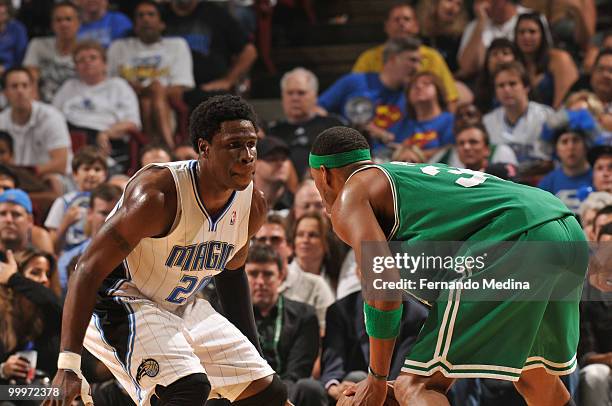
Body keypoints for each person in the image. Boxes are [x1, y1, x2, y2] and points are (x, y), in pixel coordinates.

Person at [308, 126, 587, 405]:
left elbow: (385, 292)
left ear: (324, 174)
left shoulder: (350, 197)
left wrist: (377, 379)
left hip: (516, 234)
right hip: (565, 227)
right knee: (534, 374)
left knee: (414, 386)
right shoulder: (404, 180)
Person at [43, 95, 288, 406]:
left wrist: (254, 352)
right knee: (186, 389)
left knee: (268, 394)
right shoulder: (158, 194)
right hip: (119, 300)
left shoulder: (253, 204)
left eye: (252, 144)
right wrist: (68, 365)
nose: (248, 155)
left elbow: (233, 273)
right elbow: (87, 268)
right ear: (204, 148)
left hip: (181, 304)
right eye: (234, 145)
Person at [107, 1, 194, 149]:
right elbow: (110, 85)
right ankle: (170, 146)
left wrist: (151, 90)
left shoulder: (177, 45)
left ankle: (151, 146)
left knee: (154, 91)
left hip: (167, 106)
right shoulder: (119, 47)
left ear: (162, 23)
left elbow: (179, 88)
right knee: (149, 97)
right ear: (134, 24)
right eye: (140, 16)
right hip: (129, 106)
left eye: (151, 15)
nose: (145, 19)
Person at [246, 243, 324, 406]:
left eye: (268, 274)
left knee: (309, 388)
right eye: (253, 274)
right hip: (245, 390)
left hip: (290, 390)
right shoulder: (228, 314)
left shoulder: (305, 315)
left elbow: (298, 371)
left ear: (281, 276)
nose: (260, 281)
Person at [353, 2, 459, 107]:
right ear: (386, 26)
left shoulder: (433, 57)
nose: (402, 23)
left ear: (416, 26)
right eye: (396, 20)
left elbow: (450, 98)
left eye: (407, 19)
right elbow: (354, 94)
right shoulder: (368, 58)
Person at [268, 67, 344, 179]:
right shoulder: (273, 131)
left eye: (301, 93)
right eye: (290, 93)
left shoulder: (333, 126)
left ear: (315, 96)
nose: (295, 98)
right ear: (282, 97)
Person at [44, 146, 107, 255]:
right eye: (86, 169)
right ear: (75, 174)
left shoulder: (111, 203)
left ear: (105, 175)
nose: (92, 174)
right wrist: (65, 223)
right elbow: (51, 246)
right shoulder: (62, 202)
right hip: (68, 259)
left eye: (97, 169)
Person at [514, 12, 578, 108]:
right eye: (521, 32)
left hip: (556, 119)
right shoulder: (513, 62)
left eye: (532, 32)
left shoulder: (559, 59)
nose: (526, 36)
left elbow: (565, 102)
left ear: (543, 35)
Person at [23, 1, 79, 102]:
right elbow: (30, 79)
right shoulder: (38, 45)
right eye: (58, 20)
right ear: (52, 25)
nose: (63, 24)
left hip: (76, 106)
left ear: (78, 23)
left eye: (68, 19)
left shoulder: (86, 51)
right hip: (44, 105)